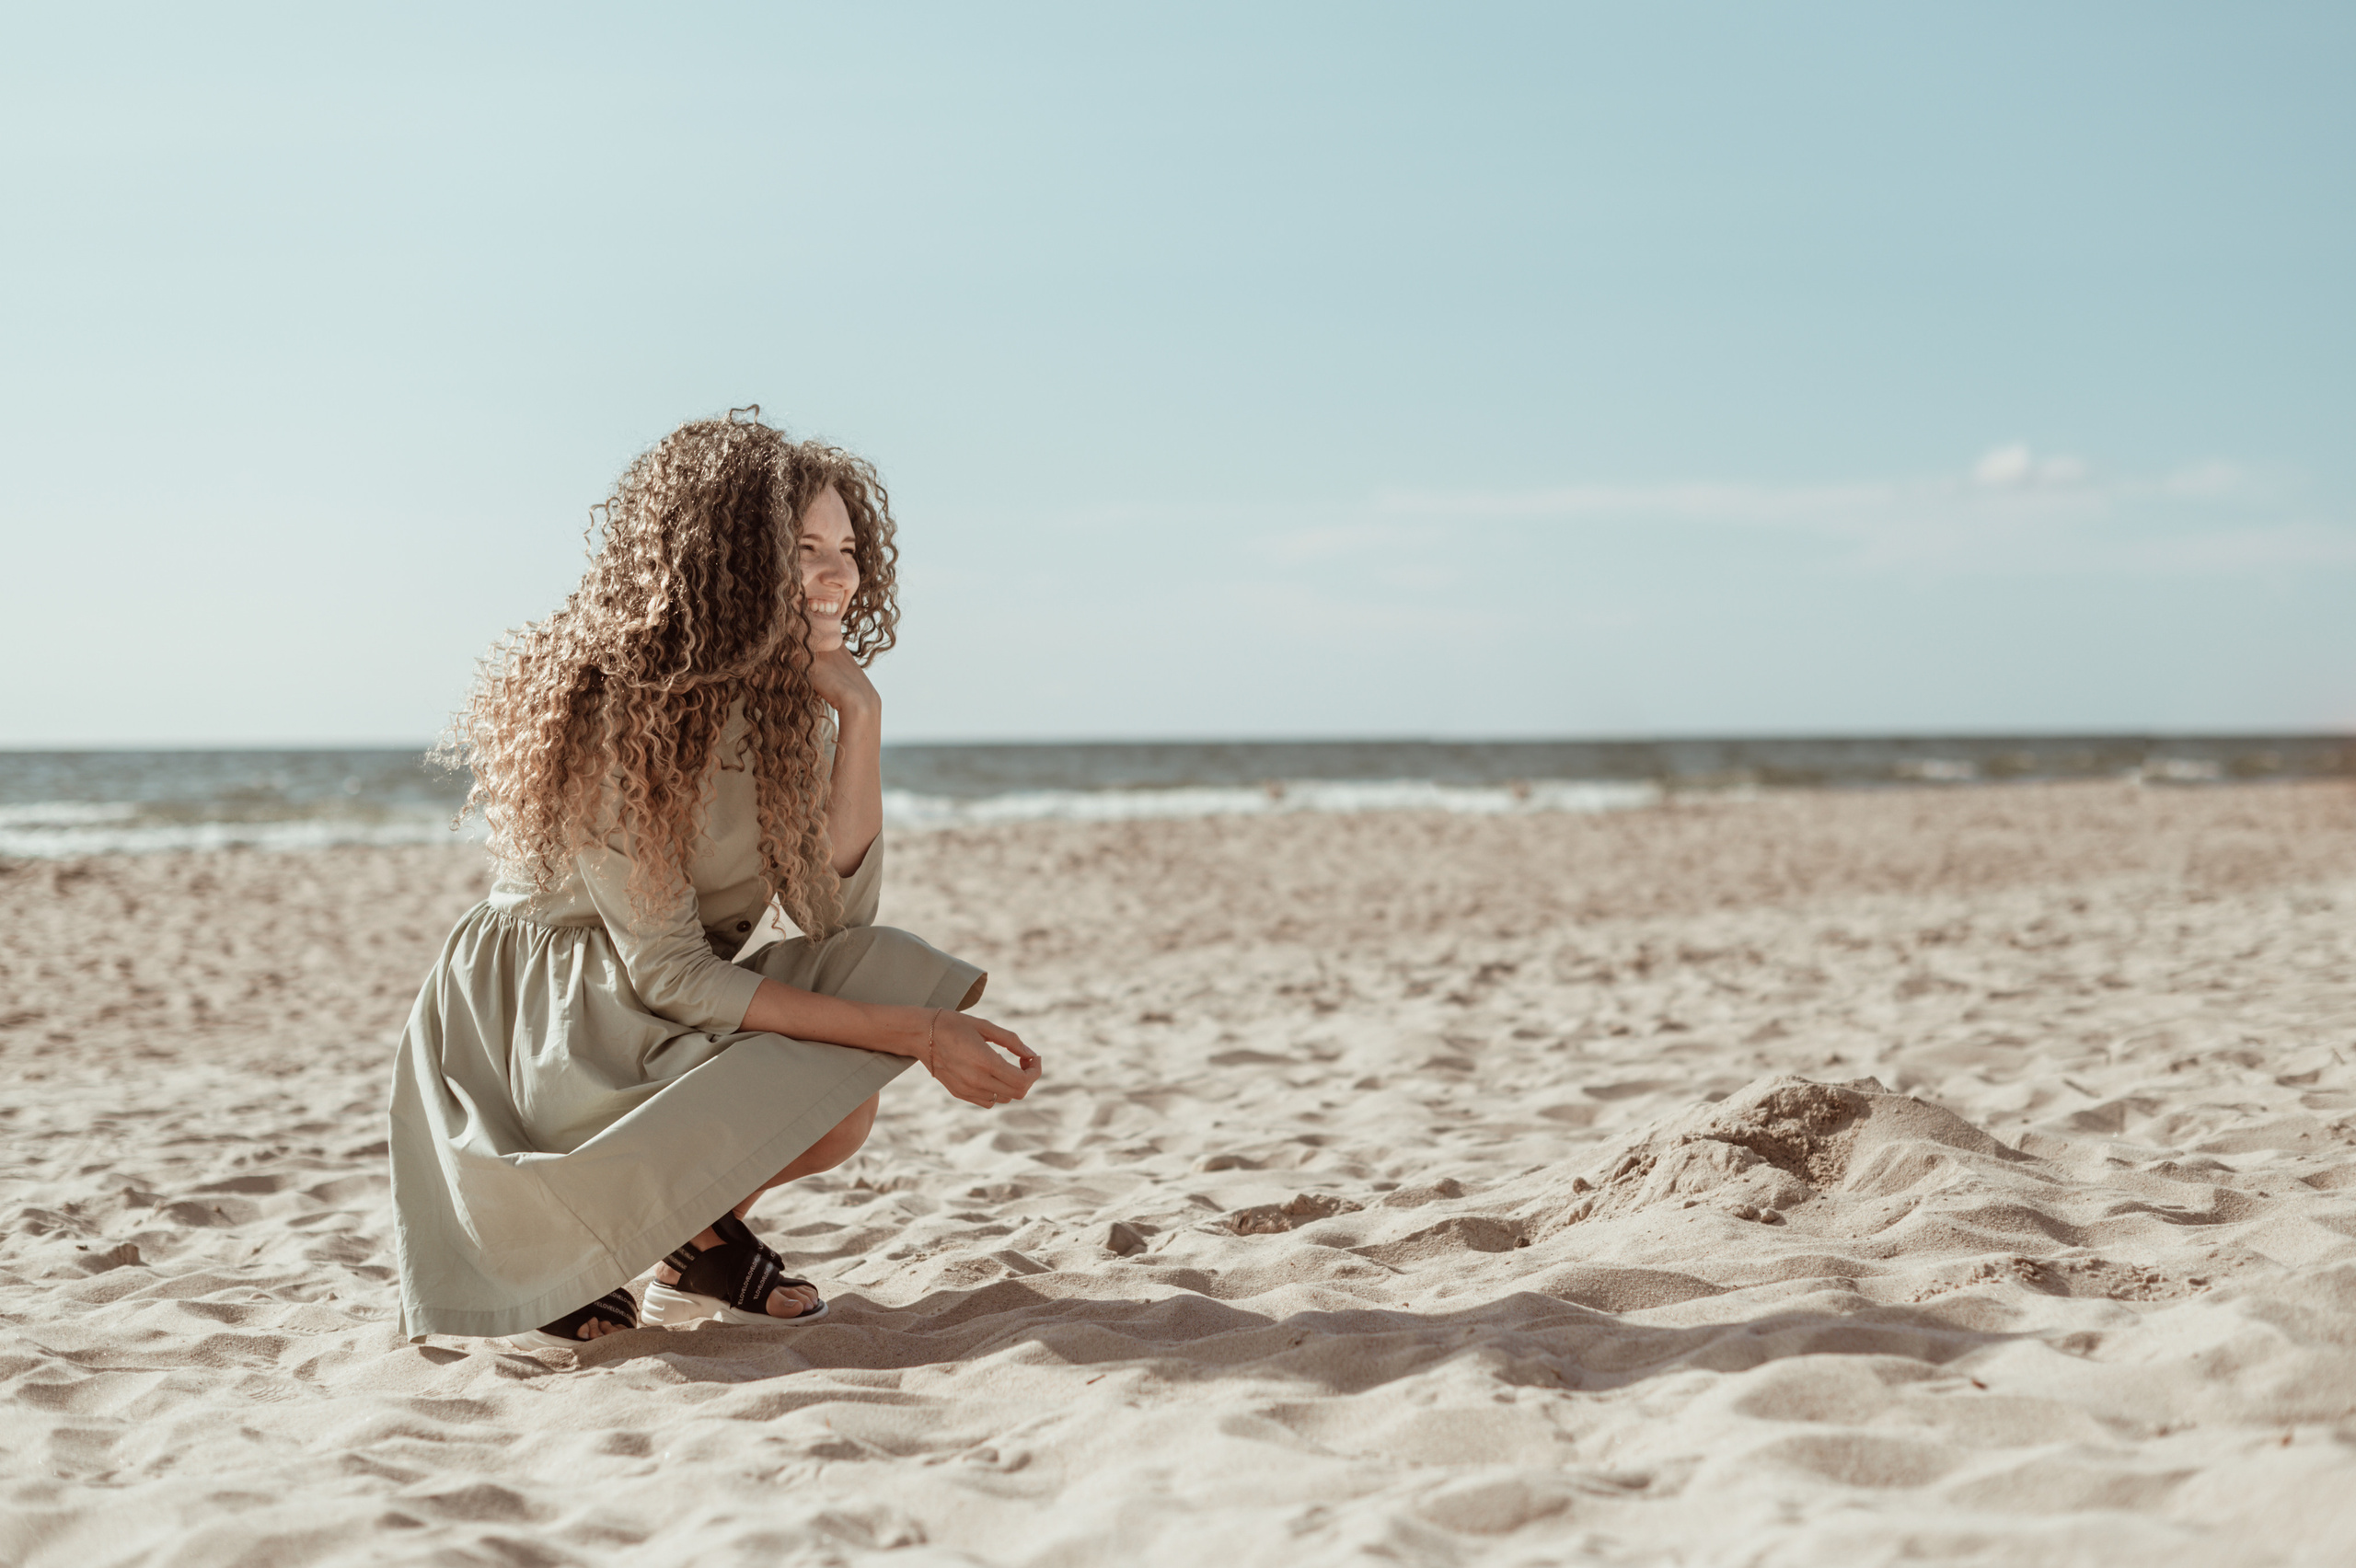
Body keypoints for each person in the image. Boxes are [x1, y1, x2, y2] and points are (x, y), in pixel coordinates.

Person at [387, 409, 1041, 1348]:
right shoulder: (620, 707)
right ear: (720, 559)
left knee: (858, 1032)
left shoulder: (787, 707)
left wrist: (857, 715)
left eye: (846, 549)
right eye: (801, 548)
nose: (836, 576)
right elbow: (670, 975)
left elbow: (833, 917)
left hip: (659, 995)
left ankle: (688, 1243)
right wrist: (921, 1032)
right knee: (866, 1042)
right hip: (551, 1026)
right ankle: (643, 1240)